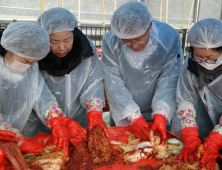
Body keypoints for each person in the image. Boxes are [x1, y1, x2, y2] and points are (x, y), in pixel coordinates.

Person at [0, 22, 87, 158]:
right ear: (10, 48)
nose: (29, 66)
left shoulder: (31, 69)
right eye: (26, 61)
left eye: (33, 62)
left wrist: (57, 120)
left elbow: (41, 96)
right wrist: (11, 134)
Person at [101, 1, 183, 143]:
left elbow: (169, 80)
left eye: (139, 40)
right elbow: (113, 83)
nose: (133, 46)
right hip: (124, 113)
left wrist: (161, 114)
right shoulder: (111, 41)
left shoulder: (168, 38)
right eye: (126, 41)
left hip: (159, 115)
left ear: (149, 26)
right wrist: (132, 115)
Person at [37, 7, 108, 137]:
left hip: (80, 121)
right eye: (54, 41)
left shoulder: (85, 48)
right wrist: (57, 120)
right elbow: (38, 92)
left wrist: (94, 113)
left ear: (74, 34)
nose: (62, 47)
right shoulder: (36, 53)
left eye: (67, 40)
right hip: (44, 123)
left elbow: (93, 81)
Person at [176, 18, 222, 170]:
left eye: (210, 58)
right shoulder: (191, 64)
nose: (203, 63)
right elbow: (185, 99)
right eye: (199, 57)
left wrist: (218, 137)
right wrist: (190, 134)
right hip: (204, 128)